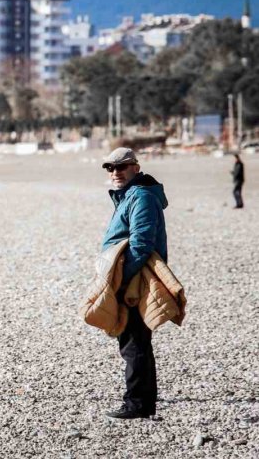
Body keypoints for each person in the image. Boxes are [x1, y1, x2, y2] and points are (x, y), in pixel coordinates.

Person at [100, 147, 168, 419]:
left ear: (136, 168)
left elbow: (141, 243)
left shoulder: (140, 197)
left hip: (134, 278)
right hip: (132, 275)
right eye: (110, 168)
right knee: (137, 340)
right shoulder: (130, 195)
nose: (115, 172)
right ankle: (142, 402)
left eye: (122, 167)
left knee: (133, 343)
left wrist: (119, 279)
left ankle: (137, 404)